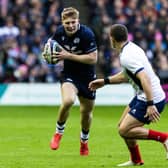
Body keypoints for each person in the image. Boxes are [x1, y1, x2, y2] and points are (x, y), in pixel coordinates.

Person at [89, 24, 168, 166]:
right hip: (143, 95)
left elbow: (145, 78)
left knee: (124, 130)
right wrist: (105, 81)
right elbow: (126, 76)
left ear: (112, 38)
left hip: (151, 98)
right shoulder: (131, 48)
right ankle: (136, 160)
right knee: (122, 126)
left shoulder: (127, 56)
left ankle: (165, 138)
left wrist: (150, 104)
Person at [42, 7, 97, 155]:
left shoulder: (86, 34)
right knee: (68, 101)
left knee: (86, 113)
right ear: (62, 22)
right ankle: (58, 133)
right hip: (69, 74)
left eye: (73, 22)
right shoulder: (59, 32)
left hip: (87, 77)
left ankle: (84, 142)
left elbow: (93, 58)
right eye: (67, 23)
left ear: (78, 21)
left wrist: (68, 55)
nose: (71, 25)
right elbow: (50, 45)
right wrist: (47, 53)